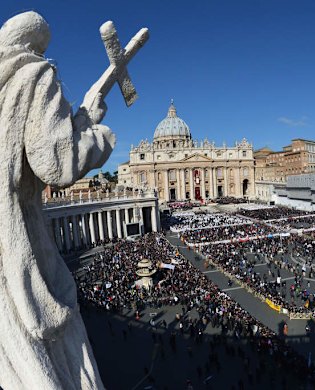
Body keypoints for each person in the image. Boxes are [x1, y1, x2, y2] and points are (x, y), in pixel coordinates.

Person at [0, 11, 114, 390]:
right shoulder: (33, 74)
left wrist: (81, 116)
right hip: (22, 252)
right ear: (38, 45)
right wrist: (100, 135)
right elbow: (56, 161)